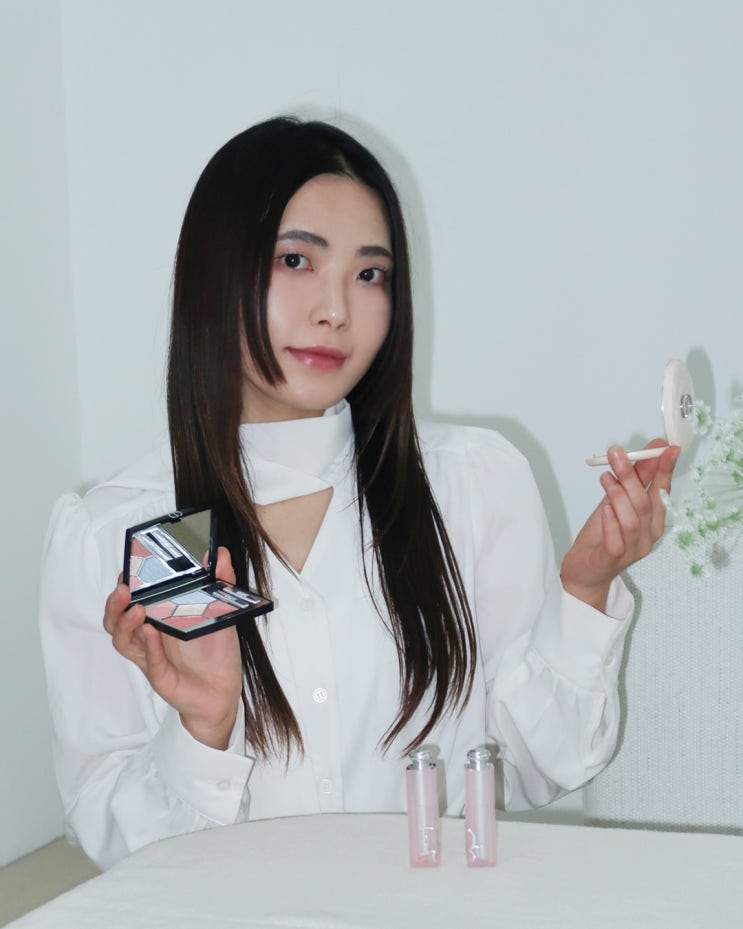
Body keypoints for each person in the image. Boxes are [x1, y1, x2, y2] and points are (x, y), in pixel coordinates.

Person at [39, 116, 678, 870]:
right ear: (214, 273)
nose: (336, 309)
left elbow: (542, 766)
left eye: (370, 274)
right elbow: (115, 847)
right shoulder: (129, 528)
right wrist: (204, 728)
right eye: (295, 260)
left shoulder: (472, 483)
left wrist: (585, 590)